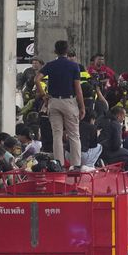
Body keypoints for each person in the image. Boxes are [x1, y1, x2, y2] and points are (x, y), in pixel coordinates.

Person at [36, 40, 85, 170]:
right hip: (69, 101)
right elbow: (78, 89)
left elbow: (37, 79)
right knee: (74, 135)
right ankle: (75, 166)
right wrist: (82, 107)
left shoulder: (50, 65)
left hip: (53, 102)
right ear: (67, 51)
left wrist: (43, 95)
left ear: (55, 51)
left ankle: (59, 165)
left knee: (56, 135)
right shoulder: (74, 66)